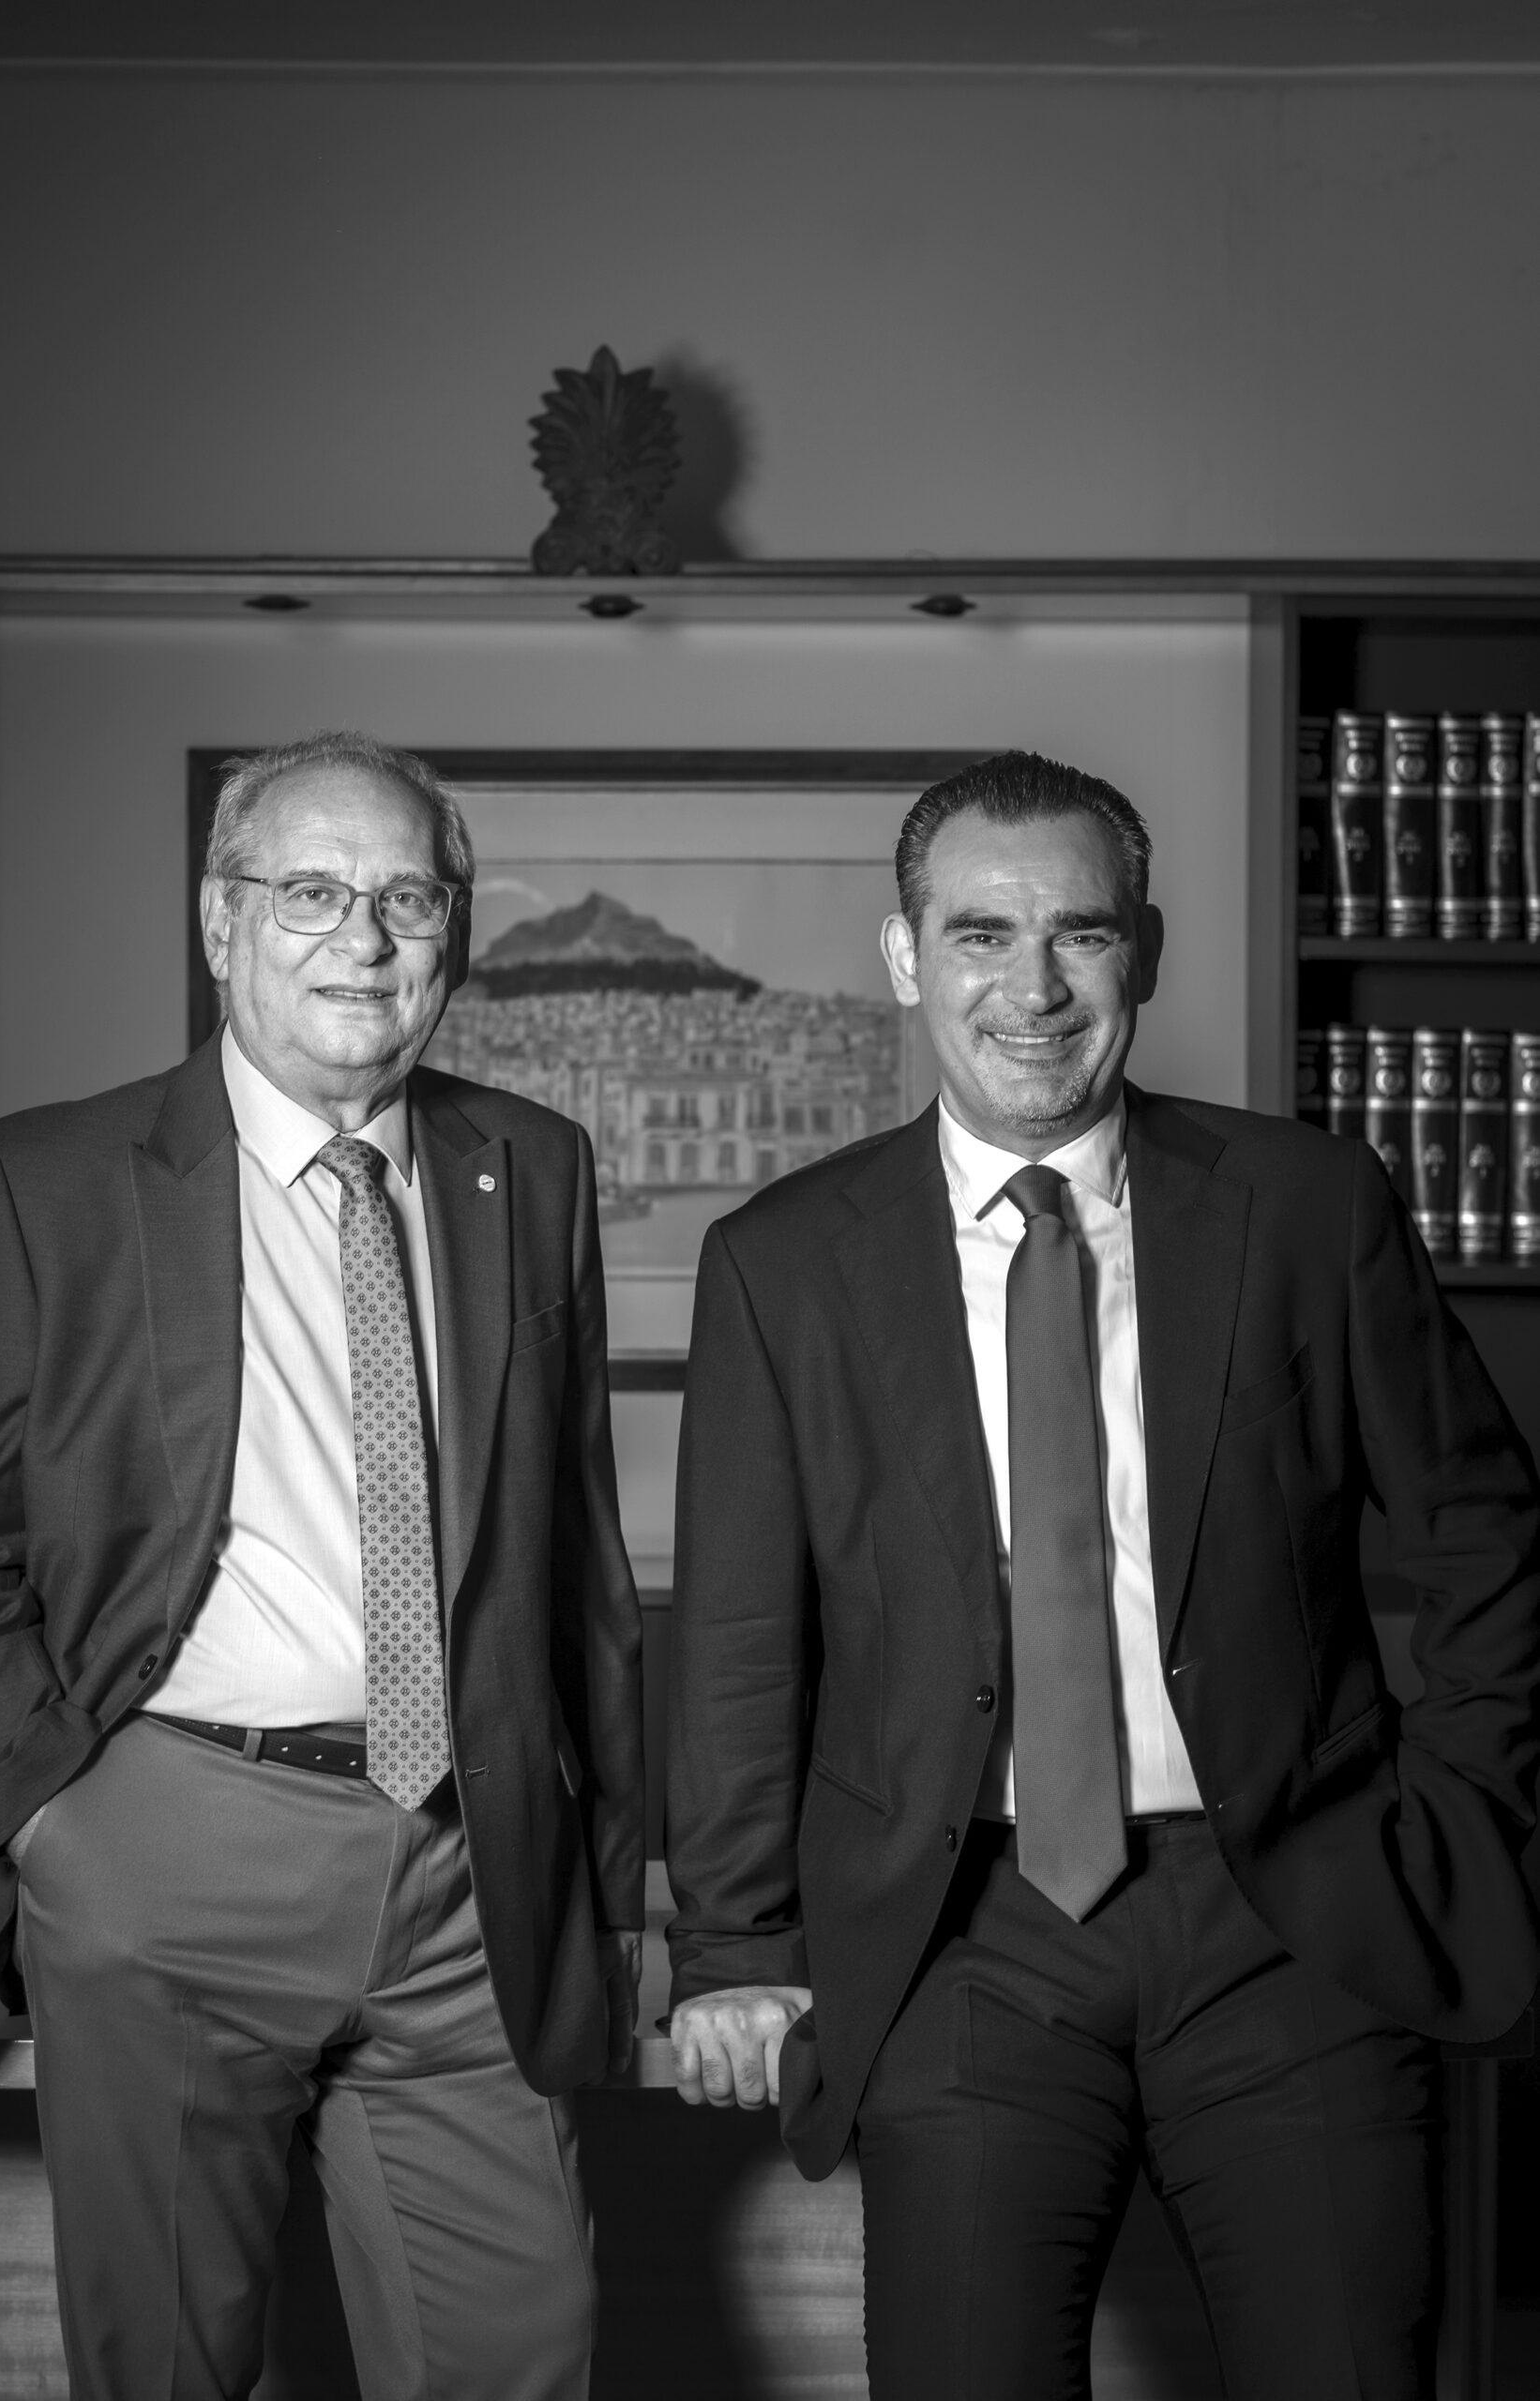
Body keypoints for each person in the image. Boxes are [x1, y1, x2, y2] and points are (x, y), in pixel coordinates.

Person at [665, 749, 1540, 2399]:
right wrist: (731, 1949)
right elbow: (736, 1642)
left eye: (1080, 932)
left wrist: (1453, 1819)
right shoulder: (782, 1263)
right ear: (906, 957)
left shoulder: (1307, 1208)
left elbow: (1487, 1536)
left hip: (1294, 1916)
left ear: (1144, 949)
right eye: (981, 935)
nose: (1036, 987)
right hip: (961, 1937)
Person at [0, 732, 643, 2401]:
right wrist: (55, 1818)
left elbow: (575, 1562)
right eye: (312, 894)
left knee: (520, 2353)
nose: (366, 940)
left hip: (471, 1865)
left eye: (408, 897)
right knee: (176, 2365)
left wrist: (611, 1881)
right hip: (173, 1841)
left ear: (457, 929)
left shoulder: (531, 1162)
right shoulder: (45, 1181)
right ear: (220, 921)